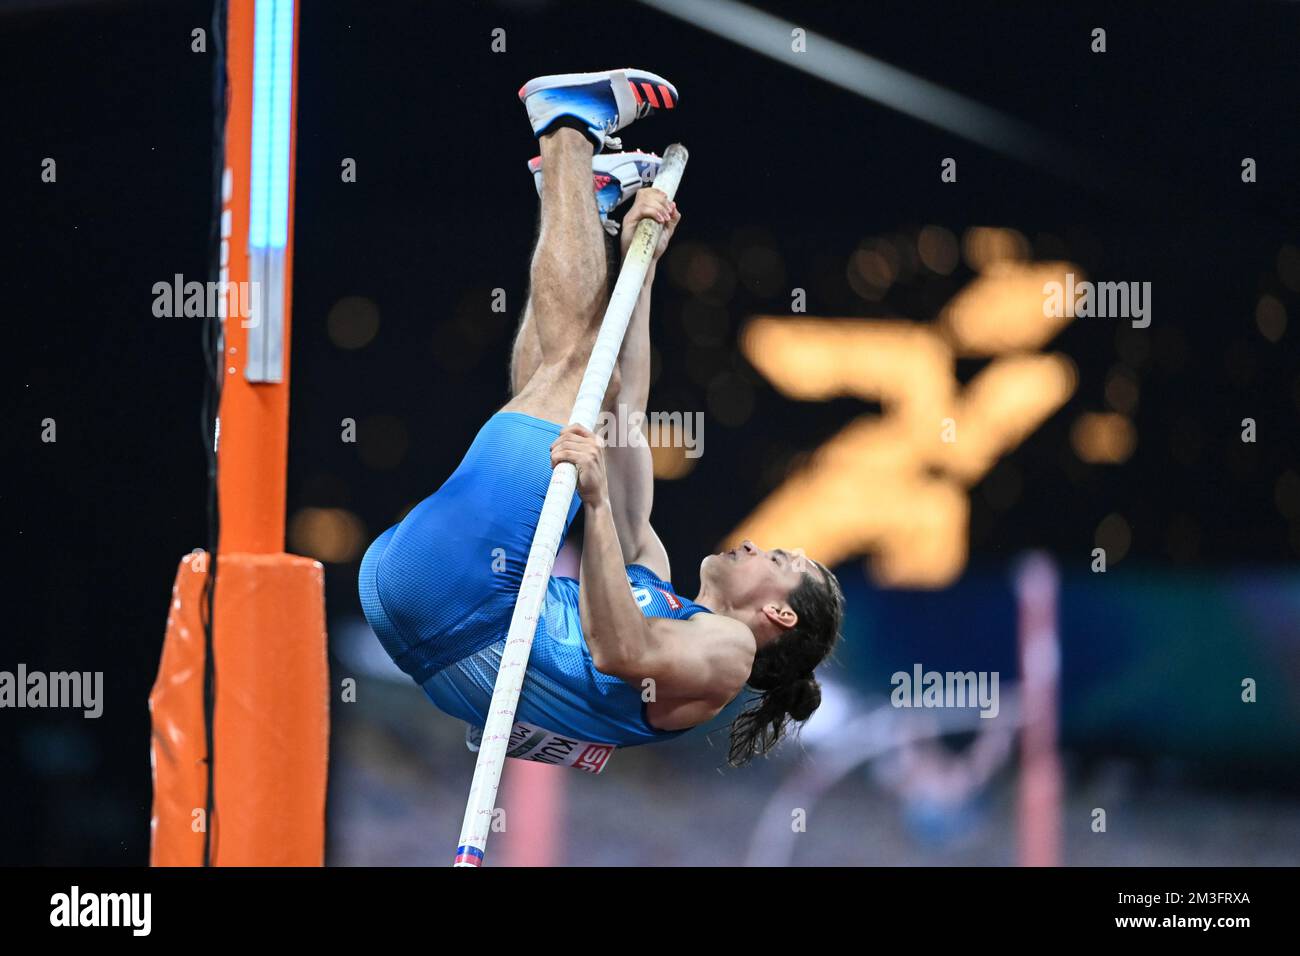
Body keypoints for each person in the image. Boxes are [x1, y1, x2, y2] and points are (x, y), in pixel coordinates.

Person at [359, 69, 844, 769]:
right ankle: (586, 201)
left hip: (458, 606)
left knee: (576, 372)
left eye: (778, 561)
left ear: (780, 614)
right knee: (577, 385)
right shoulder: (651, 571)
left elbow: (624, 650)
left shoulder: (729, 655)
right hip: (428, 613)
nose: (758, 547)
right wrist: (638, 266)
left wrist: (592, 503)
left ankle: (566, 131)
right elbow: (625, 411)